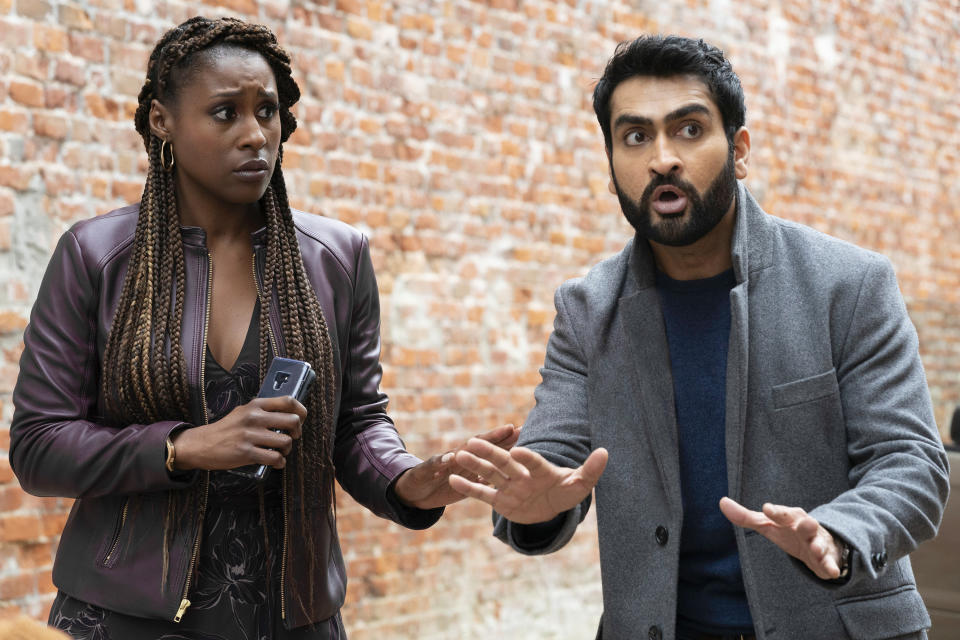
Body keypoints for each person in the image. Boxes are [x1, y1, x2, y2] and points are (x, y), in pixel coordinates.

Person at [9, 16, 517, 640]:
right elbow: (39, 445)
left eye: (268, 112)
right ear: (162, 121)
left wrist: (407, 480)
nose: (256, 135)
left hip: (292, 617)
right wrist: (183, 447)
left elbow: (357, 421)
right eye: (225, 113)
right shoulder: (98, 257)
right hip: (123, 617)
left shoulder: (336, 258)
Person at [449, 35, 949, 640]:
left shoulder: (848, 285)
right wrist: (536, 508)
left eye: (688, 130)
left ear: (738, 150)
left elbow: (911, 463)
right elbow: (554, 456)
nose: (662, 158)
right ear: (611, 168)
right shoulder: (586, 310)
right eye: (635, 137)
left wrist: (838, 534)